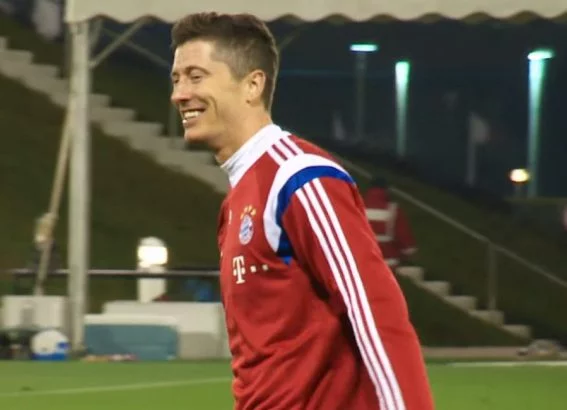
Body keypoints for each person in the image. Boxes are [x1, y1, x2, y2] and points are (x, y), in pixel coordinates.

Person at [170, 12, 434, 410]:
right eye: (176, 79)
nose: (179, 93)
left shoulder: (299, 177)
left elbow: (373, 311)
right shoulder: (238, 199)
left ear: (252, 85)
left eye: (195, 76)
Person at [363, 177, 417, 269]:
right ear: (386, 190)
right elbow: (402, 233)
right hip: (388, 260)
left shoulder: (358, 205)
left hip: (362, 258)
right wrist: (409, 251)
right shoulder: (393, 209)